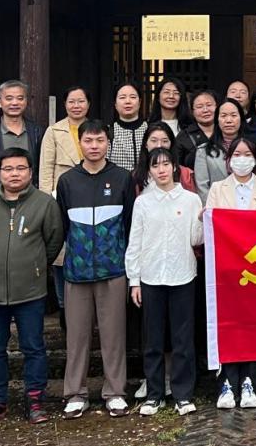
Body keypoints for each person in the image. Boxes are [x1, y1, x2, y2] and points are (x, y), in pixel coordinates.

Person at [0, 148, 63, 426]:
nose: (14, 174)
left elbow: (53, 241)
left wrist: (33, 266)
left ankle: (35, 400)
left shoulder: (44, 204)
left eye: (21, 168)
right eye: (8, 169)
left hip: (30, 290)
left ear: (31, 172)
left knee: (33, 347)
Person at [57, 120, 136, 420]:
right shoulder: (67, 181)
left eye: (99, 140)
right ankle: (75, 394)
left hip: (113, 269)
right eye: (88, 141)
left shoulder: (122, 178)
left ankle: (115, 392)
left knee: (114, 336)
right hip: (76, 272)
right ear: (80, 143)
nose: (94, 146)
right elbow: (62, 225)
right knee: (76, 337)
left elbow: (129, 224)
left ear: (108, 143)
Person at [126, 147, 202, 417]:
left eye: (166, 164)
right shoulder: (143, 203)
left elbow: (196, 240)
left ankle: (183, 394)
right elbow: (135, 242)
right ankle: (154, 394)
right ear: (149, 170)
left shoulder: (191, 200)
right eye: (155, 165)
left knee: (183, 339)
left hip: (183, 275)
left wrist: (202, 221)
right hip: (151, 276)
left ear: (175, 167)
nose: (161, 170)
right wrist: (134, 280)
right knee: (153, 340)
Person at [205, 138, 256, 409]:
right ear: (229, 159)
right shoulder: (217, 189)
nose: (242, 159)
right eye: (237, 154)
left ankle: (249, 382)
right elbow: (211, 225)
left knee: (254, 327)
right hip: (226, 270)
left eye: (247, 154)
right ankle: (227, 383)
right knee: (227, 326)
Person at [39, 85, 90, 327]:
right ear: (65, 104)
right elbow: (45, 169)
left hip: (89, 198)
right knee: (61, 254)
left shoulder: (96, 129)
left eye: (81, 101)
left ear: (88, 104)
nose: (76, 106)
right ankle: (63, 305)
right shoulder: (54, 131)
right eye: (72, 101)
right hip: (61, 199)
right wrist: (48, 203)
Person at [0, 80, 45, 203]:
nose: (14, 103)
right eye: (9, 98)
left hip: (32, 201)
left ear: (26, 101)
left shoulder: (36, 132)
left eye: (20, 98)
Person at [194, 98, 256, 203]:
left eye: (233, 115)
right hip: (218, 207)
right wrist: (213, 209)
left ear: (241, 118)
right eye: (223, 116)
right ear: (217, 120)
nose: (228, 120)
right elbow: (202, 188)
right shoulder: (203, 151)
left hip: (251, 206)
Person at [133, 122, 195, 195]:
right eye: (154, 141)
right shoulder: (135, 176)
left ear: (171, 144)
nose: (159, 146)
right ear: (146, 144)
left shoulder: (186, 175)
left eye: (164, 141)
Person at [108, 82, 148, 172]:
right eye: (122, 97)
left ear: (140, 102)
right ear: (115, 104)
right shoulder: (108, 132)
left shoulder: (150, 130)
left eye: (133, 97)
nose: (128, 101)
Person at [174, 90, 217, 169]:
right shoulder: (184, 136)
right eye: (199, 107)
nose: (205, 110)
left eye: (209, 105)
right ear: (192, 112)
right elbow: (176, 166)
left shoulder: (226, 131)